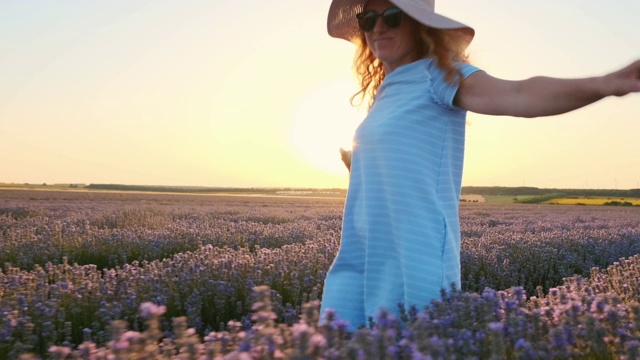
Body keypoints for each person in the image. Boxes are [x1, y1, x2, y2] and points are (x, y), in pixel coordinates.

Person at [320, 0, 640, 331]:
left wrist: (603, 84)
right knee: (334, 342)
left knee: (409, 344)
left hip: (412, 251)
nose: (378, 27)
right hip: (362, 249)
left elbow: (518, 94)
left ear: (420, 25)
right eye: (368, 18)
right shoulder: (384, 93)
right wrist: (357, 163)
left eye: (392, 16)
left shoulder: (438, 75)